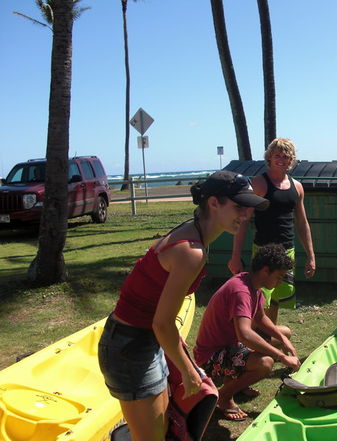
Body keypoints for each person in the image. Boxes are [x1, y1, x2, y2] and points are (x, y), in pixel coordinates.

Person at [98, 171, 269, 441]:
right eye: (239, 206)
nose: (246, 215)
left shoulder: (194, 233)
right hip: (132, 346)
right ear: (214, 203)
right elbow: (161, 323)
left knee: (161, 426)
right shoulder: (191, 251)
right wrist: (189, 372)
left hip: (142, 340)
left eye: (248, 208)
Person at [195, 243, 301, 421]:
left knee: (284, 332)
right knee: (265, 363)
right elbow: (245, 334)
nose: (280, 281)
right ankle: (224, 396)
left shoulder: (252, 284)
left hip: (231, 345)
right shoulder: (241, 291)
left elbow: (260, 318)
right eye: (279, 276)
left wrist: (283, 339)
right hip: (210, 356)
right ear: (266, 270)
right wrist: (281, 357)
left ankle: (239, 380)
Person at [228, 138, 316, 325]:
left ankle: (268, 341)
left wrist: (311, 255)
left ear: (291, 160)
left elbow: (302, 222)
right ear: (269, 158)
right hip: (263, 251)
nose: (281, 159)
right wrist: (235, 256)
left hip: (287, 251)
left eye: (286, 156)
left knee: (275, 301)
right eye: (277, 155)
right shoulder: (259, 184)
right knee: (259, 301)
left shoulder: (297, 187)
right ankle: (253, 345)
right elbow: (243, 220)